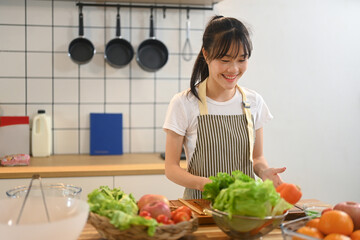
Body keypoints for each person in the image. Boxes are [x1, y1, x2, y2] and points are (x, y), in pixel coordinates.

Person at [163, 15, 286, 199]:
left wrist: (264, 172)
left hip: (244, 208)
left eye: (241, 60)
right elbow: (171, 168)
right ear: (206, 55)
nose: (234, 69)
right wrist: (205, 184)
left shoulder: (254, 102)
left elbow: (257, 158)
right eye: (225, 60)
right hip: (200, 207)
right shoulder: (184, 103)